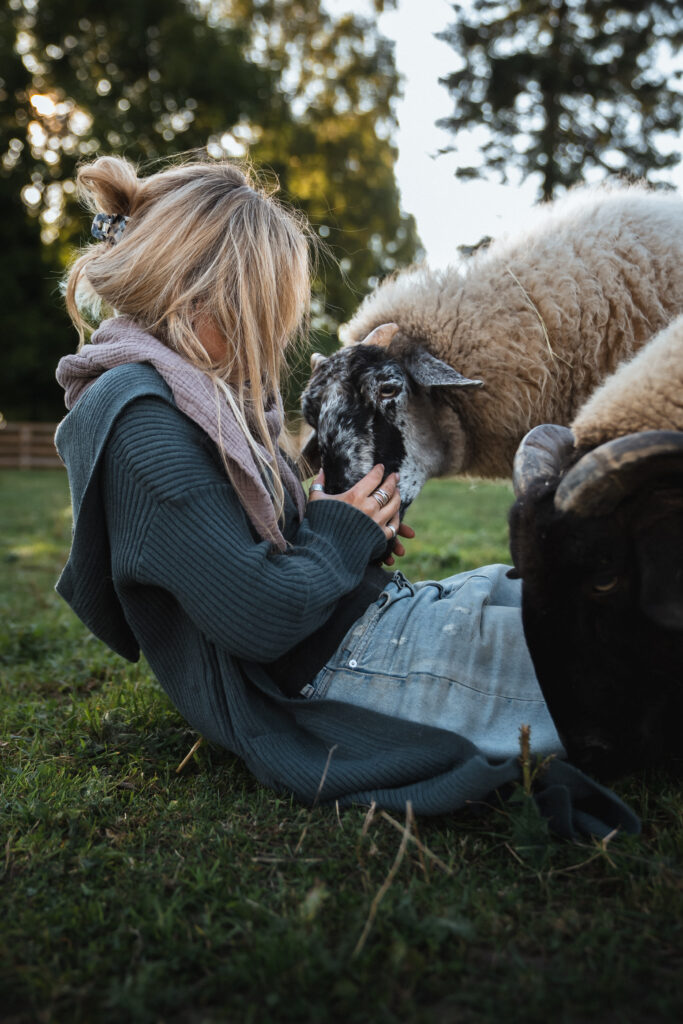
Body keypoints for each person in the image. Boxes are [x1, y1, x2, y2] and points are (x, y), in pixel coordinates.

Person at [55, 155, 639, 839]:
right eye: (260, 311)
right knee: (629, 648)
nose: (271, 336)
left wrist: (337, 518)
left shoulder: (186, 396)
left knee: (582, 594)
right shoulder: (142, 422)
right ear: (195, 298)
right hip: (343, 670)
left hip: (369, 630)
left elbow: (236, 540)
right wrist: (338, 534)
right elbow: (256, 616)